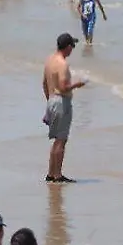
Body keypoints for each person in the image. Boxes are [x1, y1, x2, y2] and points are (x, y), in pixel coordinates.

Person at [42, 34, 86, 184]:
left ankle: (51, 173)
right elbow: (63, 86)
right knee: (61, 140)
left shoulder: (49, 60)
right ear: (67, 47)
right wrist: (77, 84)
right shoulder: (62, 64)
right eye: (72, 46)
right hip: (61, 102)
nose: (72, 50)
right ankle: (57, 175)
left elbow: (44, 83)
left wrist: (49, 103)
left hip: (52, 100)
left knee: (56, 141)